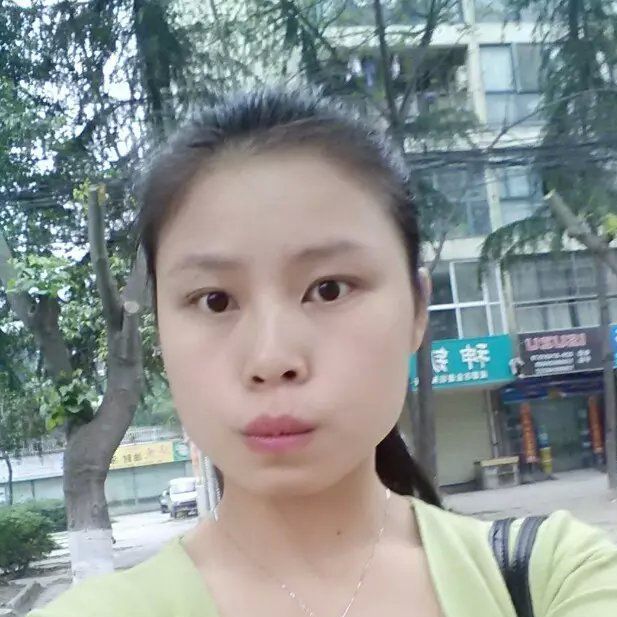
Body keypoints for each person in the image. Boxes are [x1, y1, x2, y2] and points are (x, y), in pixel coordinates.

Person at [31, 89, 617, 617]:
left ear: (417, 309)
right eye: (215, 300)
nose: (271, 358)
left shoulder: (554, 577)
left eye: (329, 289)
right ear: (161, 329)